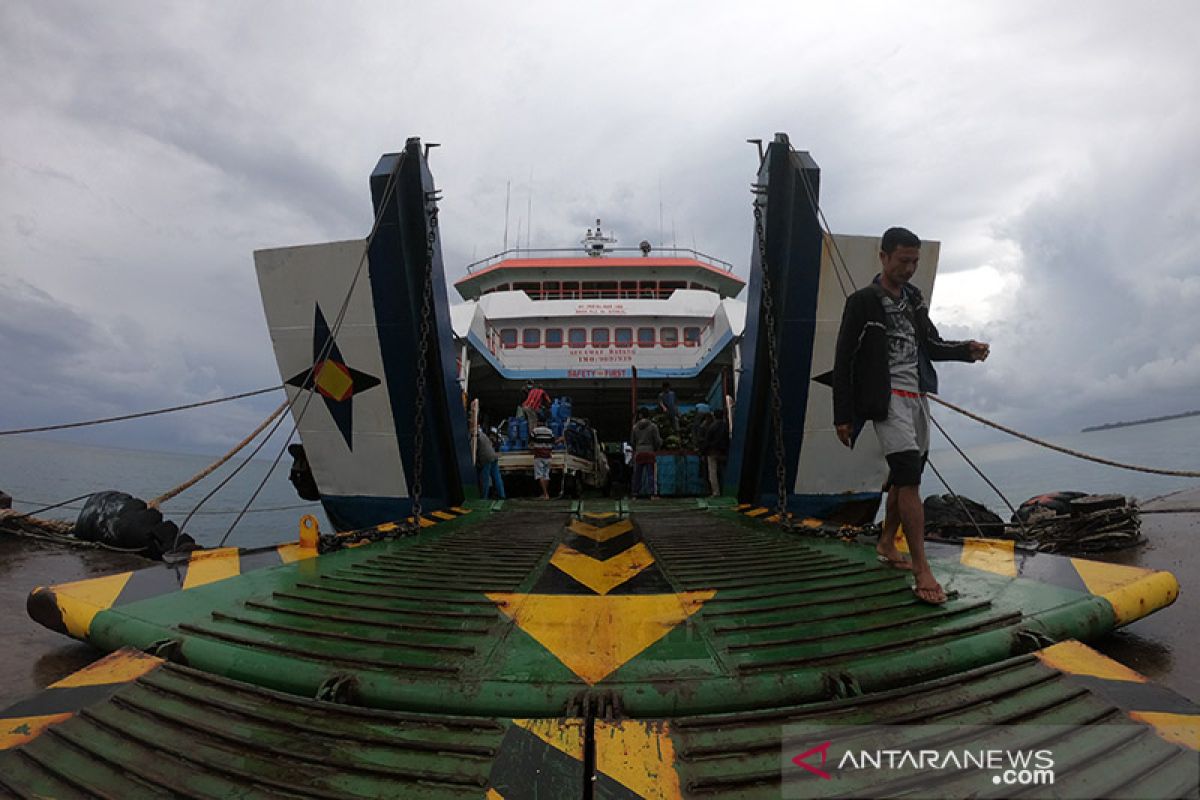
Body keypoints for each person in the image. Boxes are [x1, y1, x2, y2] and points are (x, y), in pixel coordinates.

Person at [832, 226, 990, 605]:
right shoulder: (863, 302)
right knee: (909, 479)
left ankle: (887, 542)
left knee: (904, 480)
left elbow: (931, 345)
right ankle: (923, 570)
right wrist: (843, 415)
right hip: (886, 402)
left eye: (915, 262)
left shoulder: (914, 298)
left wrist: (966, 350)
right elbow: (843, 361)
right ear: (883, 257)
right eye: (903, 260)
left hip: (917, 397)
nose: (910, 268)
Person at [629, 408, 662, 498]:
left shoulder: (635, 427)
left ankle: (635, 493)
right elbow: (657, 441)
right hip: (649, 452)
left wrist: (637, 448)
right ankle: (652, 494)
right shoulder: (653, 426)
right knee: (651, 474)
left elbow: (632, 441)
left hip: (639, 453)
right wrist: (655, 448)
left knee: (637, 474)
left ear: (640, 415)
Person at [701, 408, 729, 497]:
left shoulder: (712, 427)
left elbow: (707, 440)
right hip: (723, 452)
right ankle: (726, 489)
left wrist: (703, 452)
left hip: (712, 452)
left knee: (713, 473)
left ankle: (716, 492)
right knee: (723, 471)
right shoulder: (725, 426)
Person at [476, 426, 505, 501]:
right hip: (493, 455)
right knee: (497, 477)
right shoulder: (483, 435)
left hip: (486, 458)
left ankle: (484, 497)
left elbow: (474, 451)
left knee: (484, 478)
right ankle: (502, 495)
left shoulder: (475, 437)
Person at [529, 422, 556, 500]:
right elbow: (553, 442)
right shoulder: (550, 431)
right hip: (548, 456)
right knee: (546, 475)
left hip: (539, 456)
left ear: (538, 423)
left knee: (540, 475)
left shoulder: (535, 431)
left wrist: (532, 448)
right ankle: (544, 493)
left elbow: (530, 441)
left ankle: (545, 494)